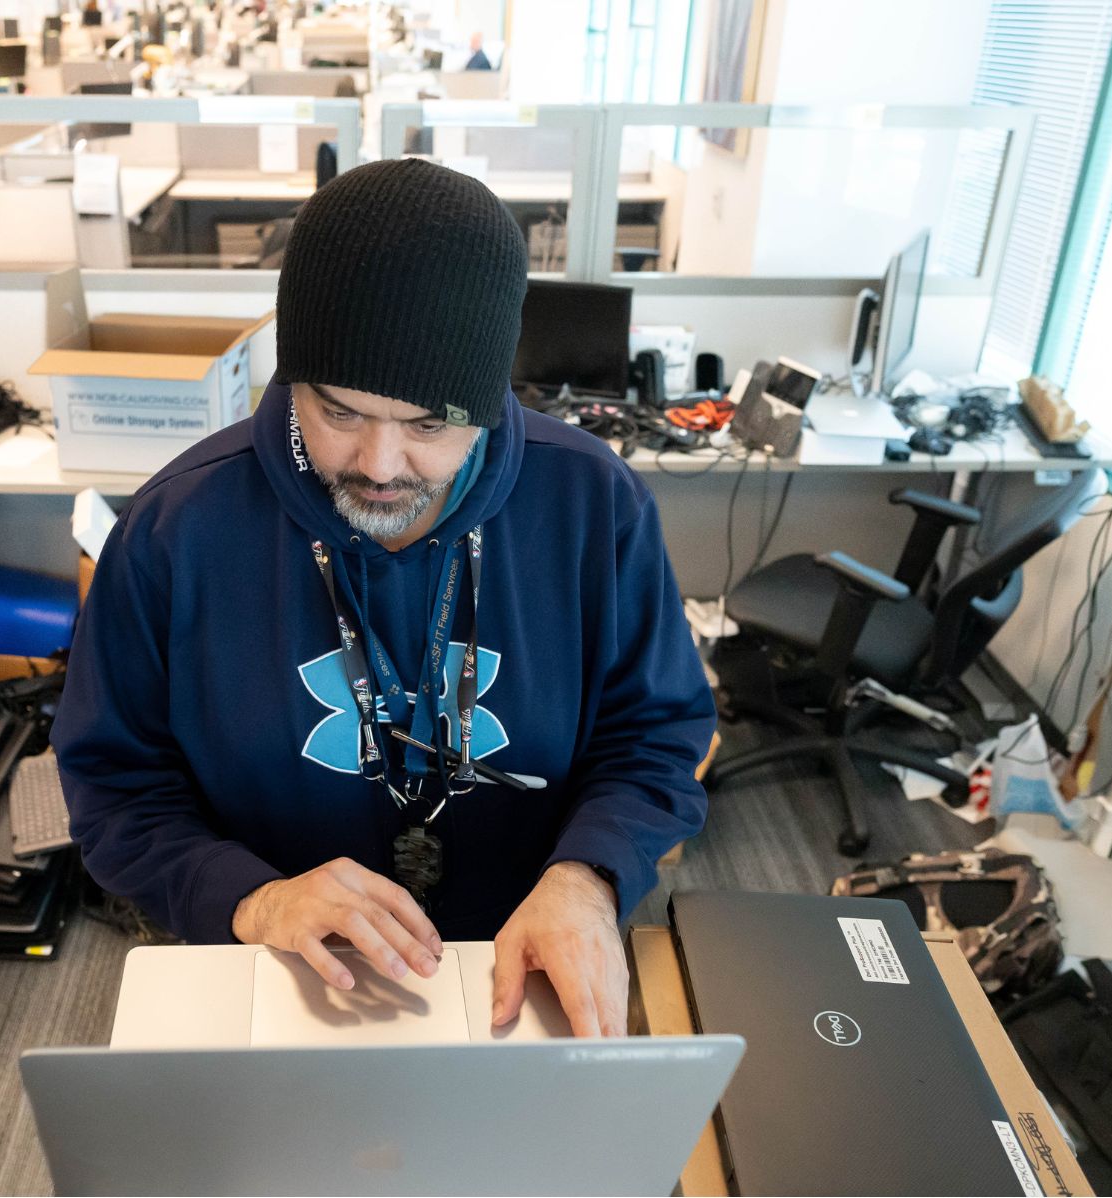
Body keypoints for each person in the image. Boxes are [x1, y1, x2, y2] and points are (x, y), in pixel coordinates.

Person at [53, 158, 714, 1038]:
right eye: (340, 413)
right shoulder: (179, 528)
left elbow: (657, 735)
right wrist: (253, 901)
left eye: (429, 425)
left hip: (522, 969)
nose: (379, 464)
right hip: (280, 974)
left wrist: (589, 878)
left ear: (485, 402)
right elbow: (115, 787)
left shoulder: (593, 504)